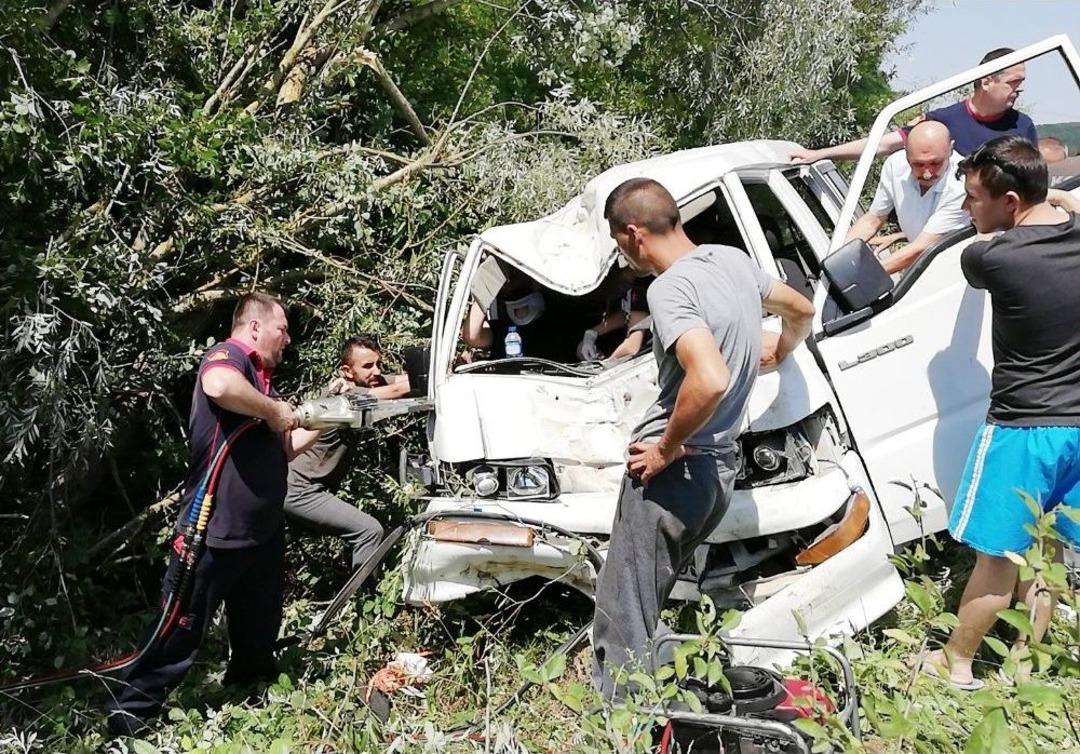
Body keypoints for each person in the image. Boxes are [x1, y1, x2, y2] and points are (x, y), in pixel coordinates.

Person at [590, 178, 814, 699]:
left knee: (625, 603)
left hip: (676, 470)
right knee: (650, 596)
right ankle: (668, 691)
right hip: (719, 469)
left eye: (618, 243)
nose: (621, 255)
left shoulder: (668, 289)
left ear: (632, 234)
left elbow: (708, 377)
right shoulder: (730, 261)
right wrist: (781, 350)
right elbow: (800, 309)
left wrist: (665, 448)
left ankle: (624, 721)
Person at [107, 293, 321, 736]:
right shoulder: (229, 357)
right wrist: (274, 410)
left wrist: (332, 422)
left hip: (260, 534)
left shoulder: (264, 385)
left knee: (258, 626)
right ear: (256, 328)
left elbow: (284, 448)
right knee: (178, 632)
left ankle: (250, 693)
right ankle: (128, 724)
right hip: (212, 531)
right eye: (282, 329)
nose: (288, 338)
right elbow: (218, 386)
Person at [921, 136, 1080, 690]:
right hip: (1077, 430)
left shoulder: (988, 255)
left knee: (998, 556)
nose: (969, 209)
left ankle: (955, 663)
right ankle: (1021, 664)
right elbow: (1064, 211)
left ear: (1009, 201)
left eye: (973, 199)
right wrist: (1061, 201)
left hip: (1023, 428)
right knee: (1049, 553)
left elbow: (975, 258)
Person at [285, 336, 409, 569]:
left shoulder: (364, 384)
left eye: (378, 364)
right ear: (347, 370)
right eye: (368, 366)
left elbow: (404, 380)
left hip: (312, 488)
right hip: (300, 490)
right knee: (369, 531)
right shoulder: (343, 398)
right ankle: (362, 596)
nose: (376, 371)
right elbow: (399, 389)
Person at [790, 48, 1037, 164]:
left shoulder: (1023, 126)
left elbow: (1035, 182)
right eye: (1014, 82)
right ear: (986, 81)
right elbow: (883, 143)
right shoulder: (943, 120)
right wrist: (819, 154)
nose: (1020, 89)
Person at [845, 120, 970, 274]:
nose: (927, 173)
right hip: (917, 269)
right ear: (906, 153)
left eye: (935, 163)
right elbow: (873, 219)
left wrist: (861, 277)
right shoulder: (895, 166)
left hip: (953, 272)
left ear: (950, 149)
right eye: (918, 164)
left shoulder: (963, 185)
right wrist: (840, 255)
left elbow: (922, 248)